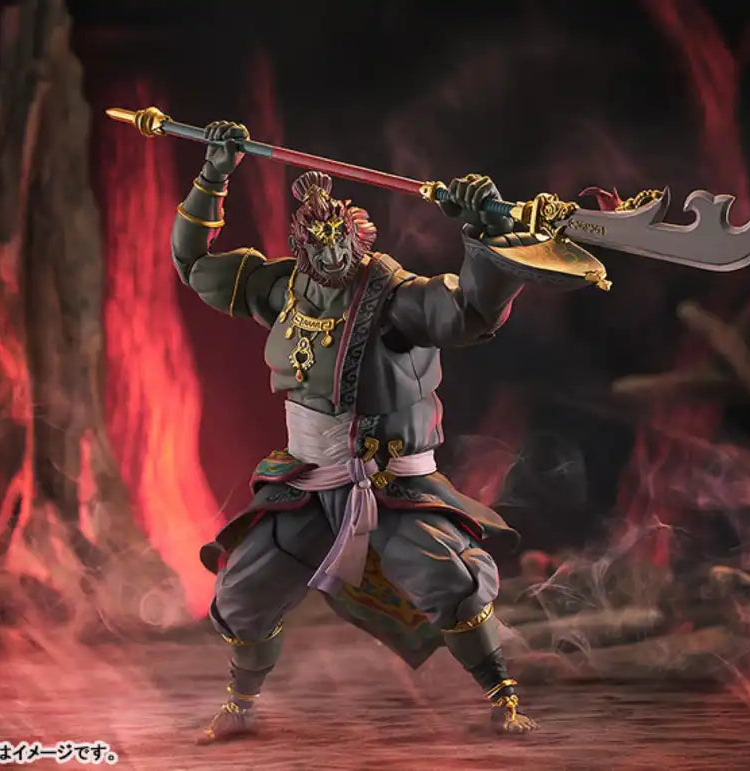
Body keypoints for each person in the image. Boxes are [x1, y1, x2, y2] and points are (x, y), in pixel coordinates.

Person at [172, 120, 548, 744]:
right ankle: (240, 704)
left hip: (389, 485)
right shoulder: (282, 289)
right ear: (301, 244)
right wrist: (213, 175)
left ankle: (502, 693)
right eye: (314, 243)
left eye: (336, 241)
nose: (328, 256)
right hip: (308, 483)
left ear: (355, 238)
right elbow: (193, 264)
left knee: (449, 580)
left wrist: (486, 233)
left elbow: (470, 312)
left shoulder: (395, 299)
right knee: (243, 589)